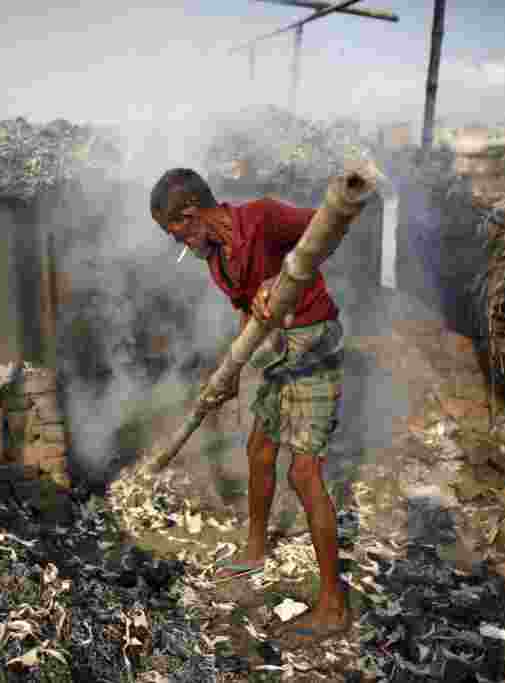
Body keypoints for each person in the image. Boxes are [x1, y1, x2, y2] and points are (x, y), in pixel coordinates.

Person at [149, 168, 364, 646]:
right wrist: (231, 370)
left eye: (175, 231)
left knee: (303, 474)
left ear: (191, 214)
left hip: (313, 345)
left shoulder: (263, 217)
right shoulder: (216, 262)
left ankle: (334, 606)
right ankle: (255, 548)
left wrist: (279, 277)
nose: (177, 242)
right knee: (259, 449)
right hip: (276, 350)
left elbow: (327, 232)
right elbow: (251, 314)